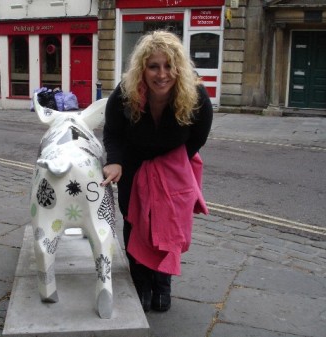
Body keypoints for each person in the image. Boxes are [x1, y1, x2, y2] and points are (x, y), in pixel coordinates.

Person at [101, 31, 213, 312]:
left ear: (179, 67)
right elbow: (113, 131)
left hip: (173, 165)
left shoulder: (196, 96)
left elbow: (198, 136)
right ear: (143, 68)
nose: (162, 74)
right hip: (134, 164)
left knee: (169, 223)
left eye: (169, 66)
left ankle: (162, 283)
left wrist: (171, 164)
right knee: (135, 221)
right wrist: (115, 161)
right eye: (153, 66)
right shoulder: (125, 94)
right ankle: (141, 282)